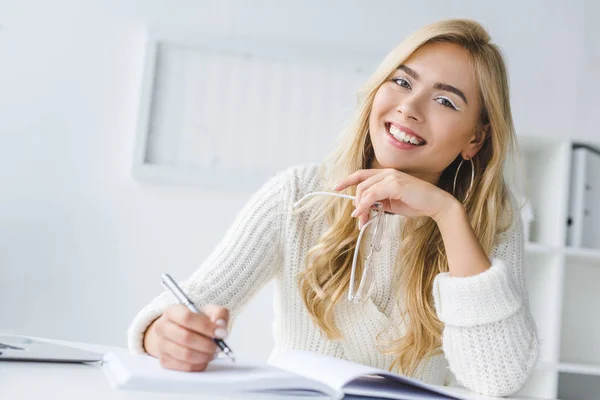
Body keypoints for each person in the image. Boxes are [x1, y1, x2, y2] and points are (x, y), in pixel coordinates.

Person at [128, 18, 538, 397]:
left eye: (446, 101)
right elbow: (190, 301)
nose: (410, 108)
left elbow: (496, 378)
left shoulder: (490, 220)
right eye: (401, 81)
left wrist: (447, 215)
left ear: (476, 140)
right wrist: (162, 333)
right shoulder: (299, 193)